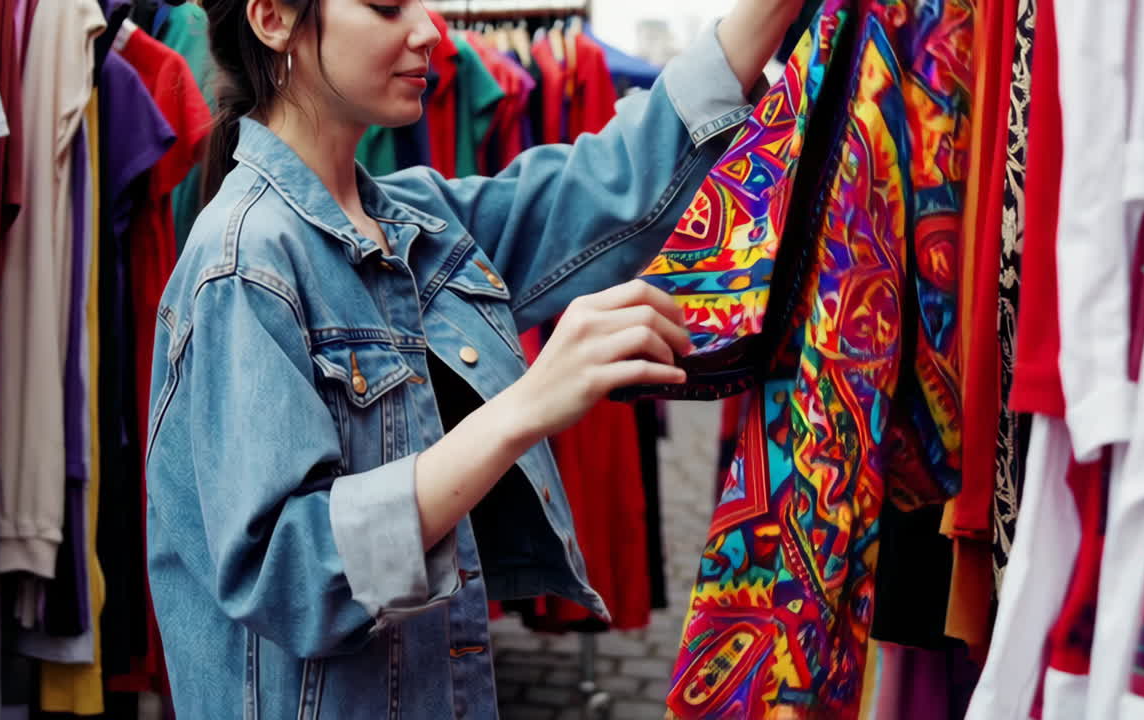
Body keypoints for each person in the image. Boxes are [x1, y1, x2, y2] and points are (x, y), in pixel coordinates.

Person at [144, 0, 805, 716]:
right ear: (274, 19)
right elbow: (292, 576)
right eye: (388, 6)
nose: (430, 31)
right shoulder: (242, 266)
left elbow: (607, 184)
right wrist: (524, 407)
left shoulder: (411, 222)